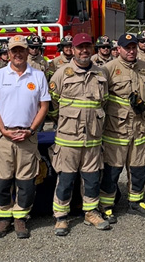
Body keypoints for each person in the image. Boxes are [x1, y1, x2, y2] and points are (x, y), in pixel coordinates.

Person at [0, 35, 49, 239]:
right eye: (14, 51)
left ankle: (21, 218)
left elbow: (44, 106)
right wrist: (3, 129)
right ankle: (4, 219)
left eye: (21, 50)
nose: (18, 54)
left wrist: (31, 129)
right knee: (2, 182)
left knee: (26, 183)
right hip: (4, 136)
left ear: (27, 51)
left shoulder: (38, 76)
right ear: (9, 53)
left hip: (27, 136)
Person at [47, 33, 110, 236]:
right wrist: (64, 121)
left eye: (87, 47)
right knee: (66, 179)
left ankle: (91, 212)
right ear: (72, 50)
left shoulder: (101, 74)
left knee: (91, 178)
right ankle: (61, 216)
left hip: (92, 138)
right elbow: (52, 104)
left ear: (92, 49)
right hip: (68, 138)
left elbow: (104, 102)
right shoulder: (61, 73)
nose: (84, 51)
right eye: (79, 47)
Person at [100, 33, 145, 221]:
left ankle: (136, 202)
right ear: (119, 50)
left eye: (133, 47)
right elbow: (100, 101)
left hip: (140, 128)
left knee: (139, 169)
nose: (131, 51)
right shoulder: (108, 69)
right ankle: (106, 205)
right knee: (112, 170)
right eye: (127, 48)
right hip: (117, 130)